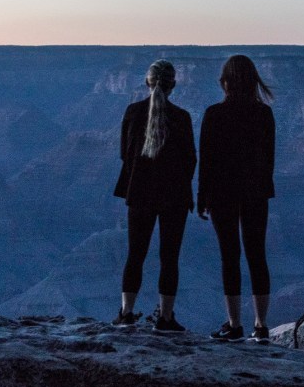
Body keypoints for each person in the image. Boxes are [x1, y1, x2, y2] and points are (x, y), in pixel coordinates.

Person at [112, 59, 196, 333]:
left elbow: (125, 154)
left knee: (135, 254)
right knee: (169, 257)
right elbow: (190, 160)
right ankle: (166, 318)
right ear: (173, 85)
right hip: (175, 196)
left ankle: (126, 313)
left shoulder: (133, 112)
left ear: (147, 83)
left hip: (140, 192)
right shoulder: (182, 117)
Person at [198, 54, 275, 343]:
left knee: (229, 256)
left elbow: (206, 160)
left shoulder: (214, 114)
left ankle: (234, 325)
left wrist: (201, 196)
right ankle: (262, 326)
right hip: (256, 192)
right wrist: (265, 189)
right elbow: (269, 159)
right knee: (257, 255)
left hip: (222, 193)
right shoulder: (264, 114)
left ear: (226, 82)